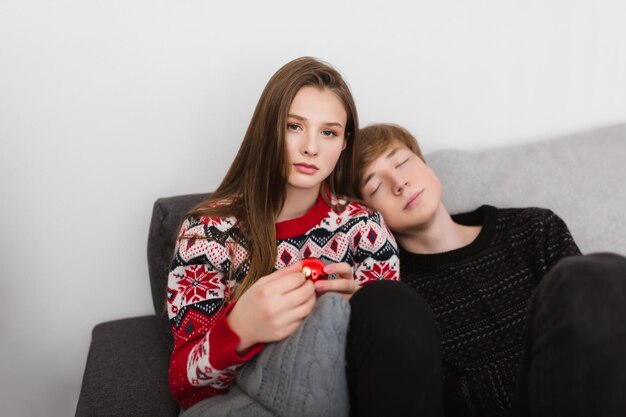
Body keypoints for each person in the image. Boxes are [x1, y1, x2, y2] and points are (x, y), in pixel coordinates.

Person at [345, 123, 626, 417]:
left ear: (425, 163)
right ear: (364, 215)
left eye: (401, 161)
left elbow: (597, 330)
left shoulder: (534, 230)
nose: (399, 183)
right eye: (375, 185)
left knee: (598, 275)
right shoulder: (393, 295)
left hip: (582, 398)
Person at [165, 58, 400, 410]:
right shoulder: (207, 233)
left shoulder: (365, 230)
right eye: (294, 126)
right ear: (268, 129)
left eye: (329, 132)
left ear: (344, 144)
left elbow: (390, 362)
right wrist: (241, 329)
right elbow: (184, 385)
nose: (311, 148)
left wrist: (362, 313)